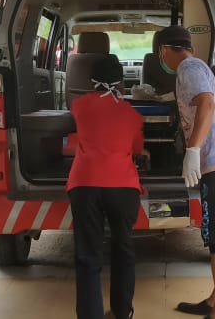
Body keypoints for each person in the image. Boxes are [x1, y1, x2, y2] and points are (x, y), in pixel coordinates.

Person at [156, 26, 215, 319]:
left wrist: (193, 150)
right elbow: (202, 99)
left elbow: (207, 103)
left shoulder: (187, 67)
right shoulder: (196, 65)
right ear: (190, 47)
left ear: (163, 50)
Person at [67, 54, 147, 319]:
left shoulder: (79, 106)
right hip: (123, 188)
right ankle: (123, 311)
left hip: (85, 185)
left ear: (91, 81)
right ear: (121, 82)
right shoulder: (133, 115)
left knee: (88, 254)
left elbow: (80, 131)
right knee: (123, 249)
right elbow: (136, 150)